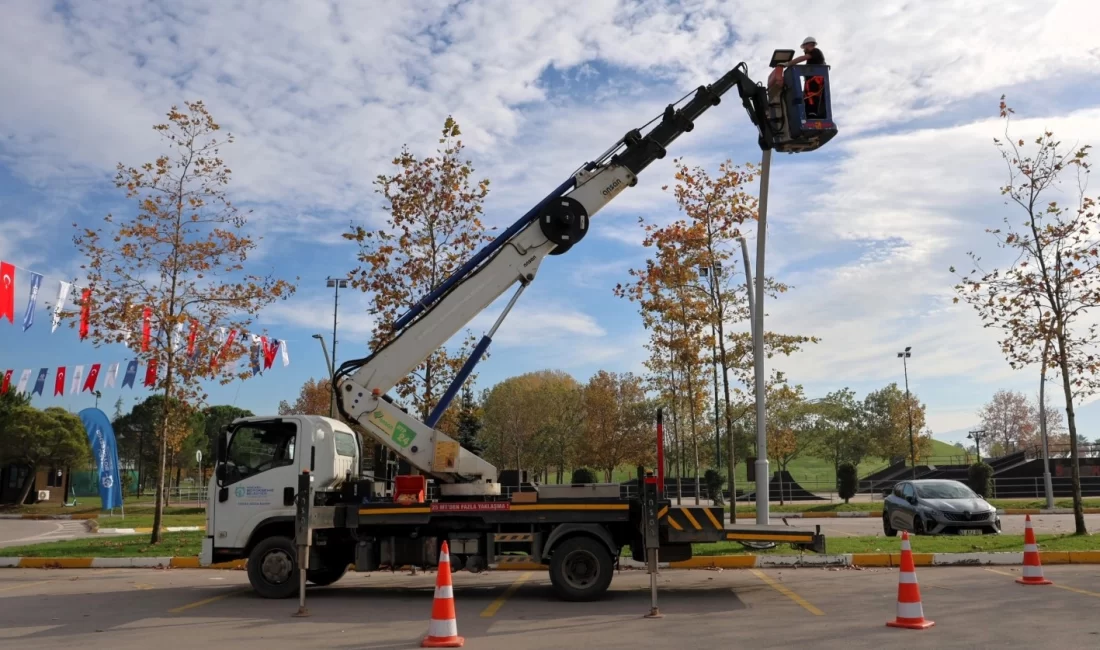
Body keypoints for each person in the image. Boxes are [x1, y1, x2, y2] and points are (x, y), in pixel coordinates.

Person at [785, 37, 826, 119]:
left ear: (809, 44)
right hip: (812, 82)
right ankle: (810, 114)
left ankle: (812, 114)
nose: (804, 49)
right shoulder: (814, 58)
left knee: (812, 98)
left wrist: (788, 63)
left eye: (804, 47)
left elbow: (802, 58)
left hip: (815, 81)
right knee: (808, 99)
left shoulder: (815, 51)